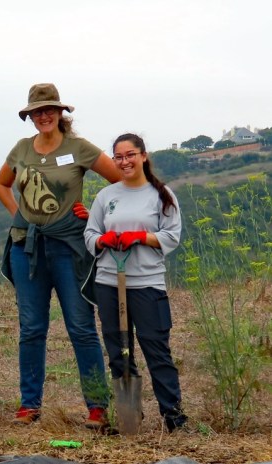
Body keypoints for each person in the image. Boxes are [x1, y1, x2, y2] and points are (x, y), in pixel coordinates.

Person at [0, 83, 122, 430]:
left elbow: (117, 181)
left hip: (69, 248)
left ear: (61, 113)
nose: (44, 115)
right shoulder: (21, 149)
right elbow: (1, 184)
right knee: (31, 328)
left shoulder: (78, 148)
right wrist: (17, 215)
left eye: (50, 109)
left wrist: (95, 216)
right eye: (37, 111)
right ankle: (29, 405)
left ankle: (97, 407)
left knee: (81, 327)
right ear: (30, 116)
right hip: (28, 248)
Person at [84, 133, 188, 432]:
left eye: (130, 155)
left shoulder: (161, 195)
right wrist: (103, 241)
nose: (124, 161)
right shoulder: (107, 197)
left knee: (156, 349)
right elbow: (90, 234)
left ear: (143, 156)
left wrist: (141, 237)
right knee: (119, 350)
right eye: (118, 157)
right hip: (109, 283)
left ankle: (174, 417)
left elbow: (171, 236)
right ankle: (130, 419)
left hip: (147, 284)